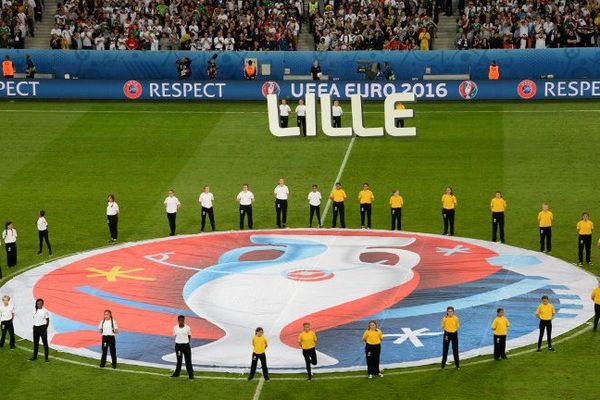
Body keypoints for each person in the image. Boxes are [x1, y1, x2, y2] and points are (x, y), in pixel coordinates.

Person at [172, 315, 194, 379]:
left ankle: (191, 375)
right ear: (178, 320)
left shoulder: (187, 327)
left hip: (186, 346)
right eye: (180, 320)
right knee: (179, 360)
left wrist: (187, 342)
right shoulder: (175, 328)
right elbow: (175, 335)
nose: (182, 321)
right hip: (178, 346)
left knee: (188, 360)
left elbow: (189, 335)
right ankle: (176, 374)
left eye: (183, 320)